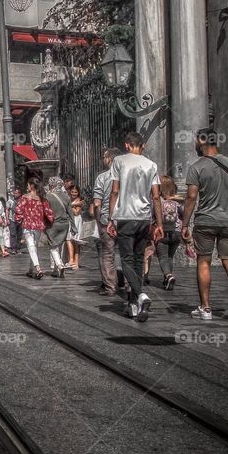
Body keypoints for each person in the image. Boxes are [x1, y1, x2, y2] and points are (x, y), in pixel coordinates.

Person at [182, 129, 228, 324]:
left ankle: (205, 308)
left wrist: (185, 224)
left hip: (206, 222)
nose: (195, 145)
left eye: (196, 141)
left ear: (202, 141)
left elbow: (190, 197)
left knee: (204, 262)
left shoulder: (196, 167)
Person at [107, 131, 163, 322]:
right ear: (143, 146)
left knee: (126, 260)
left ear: (127, 145)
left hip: (125, 216)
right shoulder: (151, 165)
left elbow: (115, 191)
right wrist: (159, 223)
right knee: (139, 260)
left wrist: (110, 218)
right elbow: (156, 196)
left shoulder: (119, 161)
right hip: (144, 218)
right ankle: (133, 304)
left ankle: (140, 295)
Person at [92, 148, 121, 296]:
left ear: (110, 159)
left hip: (105, 220)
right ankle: (130, 287)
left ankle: (110, 287)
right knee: (127, 254)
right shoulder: (127, 175)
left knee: (108, 254)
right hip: (125, 219)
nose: (103, 159)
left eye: (104, 157)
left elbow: (97, 203)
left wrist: (98, 221)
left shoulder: (102, 177)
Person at [15, 176, 53, 279]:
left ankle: (38, 268)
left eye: (28, 184)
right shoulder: (42, 198)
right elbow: (48, 211)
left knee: (31, 247)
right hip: (38, 226)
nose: (27, 186)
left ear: (31, 186)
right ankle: (31, 270)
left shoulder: (25, 197)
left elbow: (18, 209)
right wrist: (50, 221)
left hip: (28, 225)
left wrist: (18, 219)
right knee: (33, 247)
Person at [153, 174, 183, 291]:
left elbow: (152, 215)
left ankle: (168, 275)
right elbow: (184, 213)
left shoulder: (157, 200)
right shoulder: (177, 201)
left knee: (163, 256)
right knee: (170, 256)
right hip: (176, 232)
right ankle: (168, 278)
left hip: (162, 232)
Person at [44, 176, 72, 278]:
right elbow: (71, 213)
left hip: (53, 224)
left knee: (53, 246)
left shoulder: (48, 196)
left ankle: (60, 265)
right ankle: (55, 270)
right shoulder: (66, 196)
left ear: (52, 185)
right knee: (59, 245)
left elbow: (45, 212)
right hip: (65, 224)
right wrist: (74, 226)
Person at [66, 184, 84, 270]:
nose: (73, 193)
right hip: (69, 220)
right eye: (72, 192)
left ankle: (76, 262)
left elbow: (76, 213)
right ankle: (71, 260)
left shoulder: (80, 200)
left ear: (78, 192)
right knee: (68, 239)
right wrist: (72, 205)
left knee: (76, 241)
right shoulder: (68, 199)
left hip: (76, 220)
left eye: (75, 192)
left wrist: (69, 206)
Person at [6, 187, 23, 254]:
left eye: (16, 193)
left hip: (21, 220)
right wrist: (7, 219)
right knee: (13, 234)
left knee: (19, 235)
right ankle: (13, 249)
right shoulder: (10, 201)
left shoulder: (22, 201)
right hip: (12, 219)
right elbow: (7, 210)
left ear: (19, 194)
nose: (14, 194)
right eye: (14, 193)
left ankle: (18, 248)